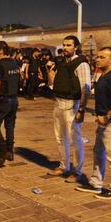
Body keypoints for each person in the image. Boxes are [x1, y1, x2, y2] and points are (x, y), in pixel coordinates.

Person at [75, 47, 111, 199]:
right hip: (104, 122)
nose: (97, 59)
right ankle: (96, 184)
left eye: (102, 57)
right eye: (97, 56)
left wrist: (108, 116)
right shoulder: (103, 75)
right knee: (99, 153)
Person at [48, 35, 91, 183]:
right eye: (64, 45)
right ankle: (63, 166)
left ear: (76, 47)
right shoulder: (61, 63)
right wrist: (50, 72)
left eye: (69, 45)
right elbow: (52, 84)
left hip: (72, 106)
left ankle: (77, 171)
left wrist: (81, 110)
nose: (65, 48)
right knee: (60, 139)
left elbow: (86, 89)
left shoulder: (81, 64)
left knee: (75, 140)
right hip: (58, 104)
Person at [0, 41, 20, 168]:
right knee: (9, 127)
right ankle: (9, 151)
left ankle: (1, 154)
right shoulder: (14, 63)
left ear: (1, 51)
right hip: (14, 100)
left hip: (3, 100)